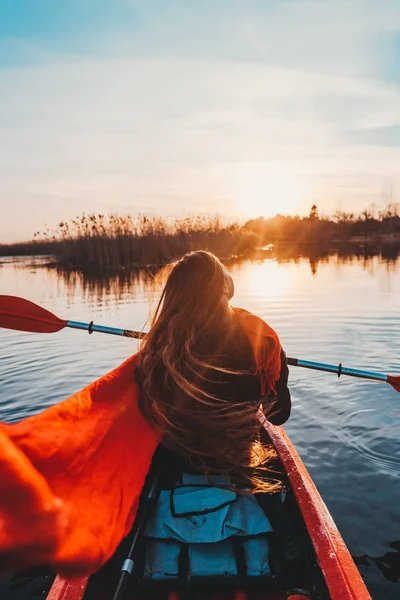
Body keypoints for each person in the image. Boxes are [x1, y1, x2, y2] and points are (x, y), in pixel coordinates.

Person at [136, 250, 291, 492]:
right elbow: (278, 416)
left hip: (177, 461)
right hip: (236, 462)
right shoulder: (262, 342)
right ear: (225, 288)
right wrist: (280, 366)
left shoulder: (160, 347)